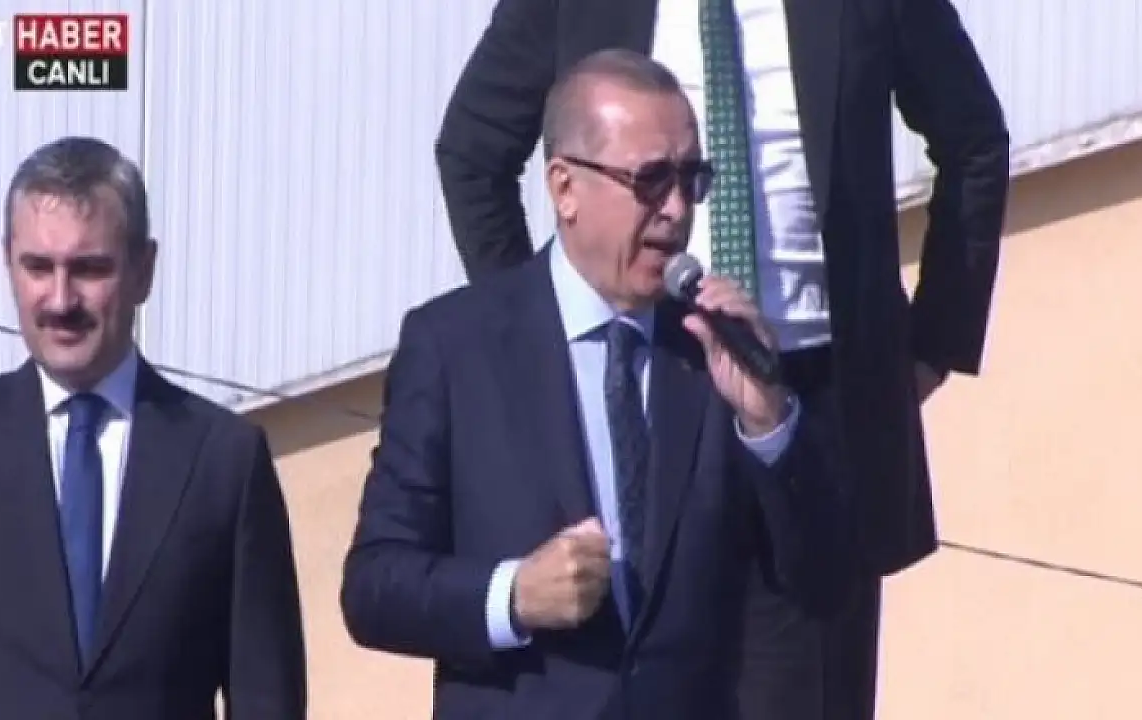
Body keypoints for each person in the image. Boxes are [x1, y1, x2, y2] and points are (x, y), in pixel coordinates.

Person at [435, 1, 1011, 717]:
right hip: (637, 387)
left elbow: (972, 139)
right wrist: (536, 344)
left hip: (810, 401)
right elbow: (473, 153)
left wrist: (932, 345)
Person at [341, 52, 846, 720]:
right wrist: (513, 595)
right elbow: (375, 586)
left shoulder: (715, 350)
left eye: (691, 179)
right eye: (651, 180)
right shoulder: (456, 348)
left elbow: (824, 576)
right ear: (565, 188)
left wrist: (769, 423)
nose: (676, 209)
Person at [0, 137, 307, 719]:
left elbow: (267, 698)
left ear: (143, 270)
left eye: (89, 269)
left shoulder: (224, 461)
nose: (61, 300)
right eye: (38, 267)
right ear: (7, 263)